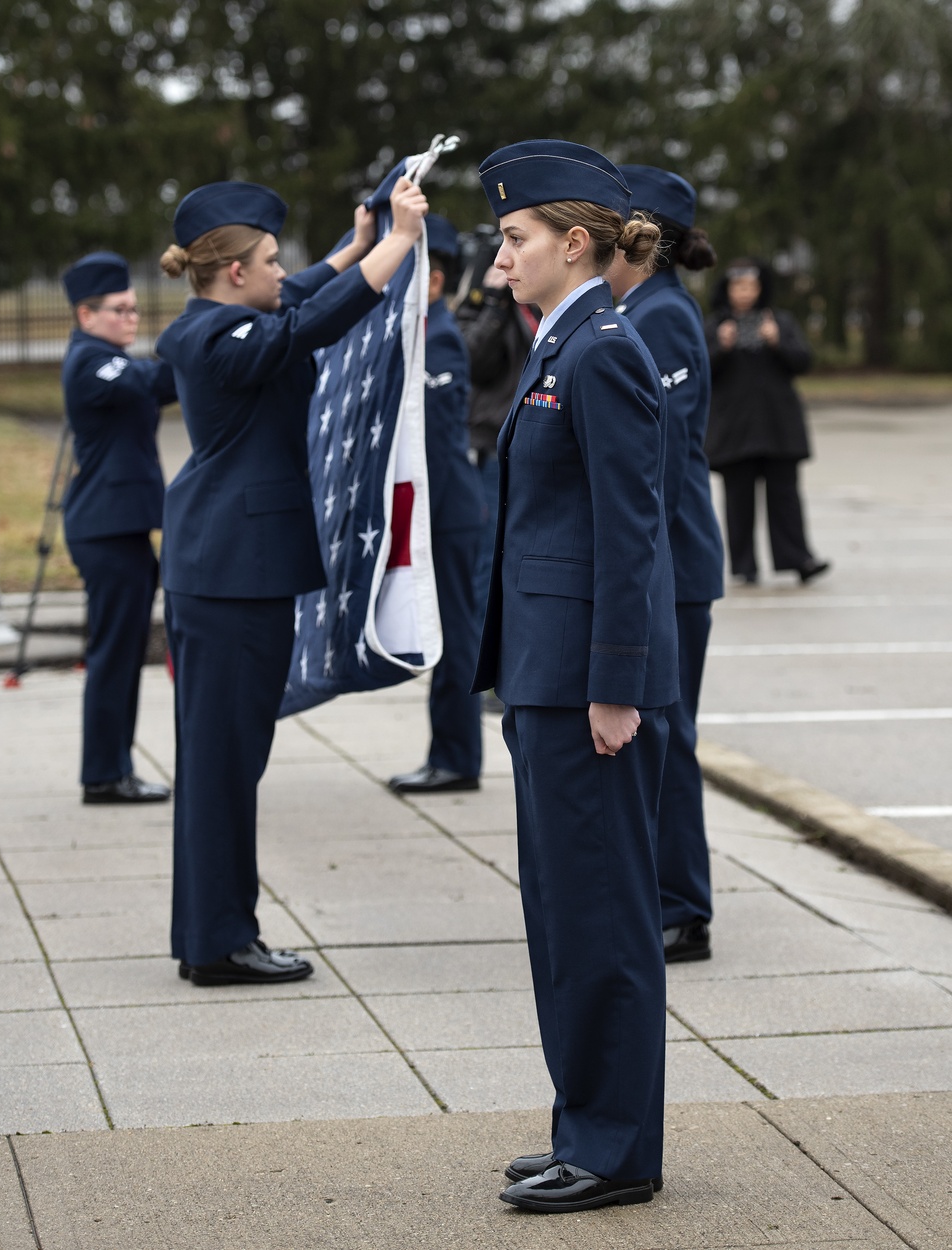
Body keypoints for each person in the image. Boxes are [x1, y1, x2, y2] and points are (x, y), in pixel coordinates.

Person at [471, 140, 678, 1214]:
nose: (500, 258)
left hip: (582, 686)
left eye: (514, 238)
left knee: (599, 913)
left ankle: (615, 1148)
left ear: (575, 242)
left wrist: (614, 685)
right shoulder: (563, 344)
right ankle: (586, 1122)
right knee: (563, 912)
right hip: (545, 675)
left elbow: (628, 531)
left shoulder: (601, 351)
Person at [157, 177, 429, 987]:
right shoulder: (212, 338)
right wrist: (399, 243)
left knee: (225, 763)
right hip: (230, 576)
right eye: (271, 259)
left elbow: (305, 292)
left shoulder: (225, 316)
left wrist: (355, 243)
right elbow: (309, 321)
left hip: (233, 573)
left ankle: (212, 932)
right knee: (222, 766)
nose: (286, 269)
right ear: (235, 272)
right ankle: (218, 942)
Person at [606, 167, 724, 964]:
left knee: (667, 732)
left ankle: (682, 908)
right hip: (661, 560)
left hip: (673, 562)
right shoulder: (634, 310)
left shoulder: (665, 316)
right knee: (655, 730)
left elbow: (656, 453)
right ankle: (660, 893)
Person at [60, 251, 175, 806]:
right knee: (113, 655)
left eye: (134, 309)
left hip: (119, 529)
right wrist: (197, 341)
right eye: (120, 310)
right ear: (87, 315)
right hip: (106, 532)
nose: (131, 318)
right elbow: (151, 381)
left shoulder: (107, 357)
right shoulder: (91, 361)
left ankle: (111, 767)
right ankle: (105, 774)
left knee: (123, 652)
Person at [388, 216, 485, 793]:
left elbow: (432, 436)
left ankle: (456, 758)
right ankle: (446, 752)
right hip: (436, 510)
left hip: (448, 511)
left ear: (435, 279)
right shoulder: (420, 331)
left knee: (454, 638)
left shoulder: (441, 336)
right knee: (442, 635)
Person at [704, 259, 830, 585]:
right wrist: (721, 345)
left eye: (751, 286)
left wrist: (777, 341)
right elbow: (701, 370)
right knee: (738, 500)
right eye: (738, 286)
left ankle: (798, 558)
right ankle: (744, 566)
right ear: (727, 290)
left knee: (785, 497)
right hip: (736, 428)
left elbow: (803, 361)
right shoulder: (716, 325)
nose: (745, 293)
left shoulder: (779, 321)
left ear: (761, 289)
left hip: (778, 427)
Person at [455, 251, 537, 671]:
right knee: (489, 562)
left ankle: (519, 662)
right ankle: (482, 667)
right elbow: (472, 361)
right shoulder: (482, 305)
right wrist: (492, 302)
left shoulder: (545, 302)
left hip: (537, 449)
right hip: (493, 449)